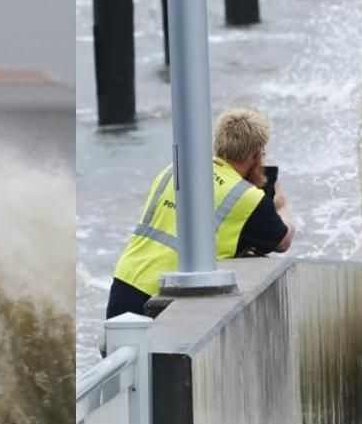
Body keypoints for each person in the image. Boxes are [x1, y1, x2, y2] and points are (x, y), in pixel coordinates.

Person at [106, 107, 295, 320]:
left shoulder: (173, 170)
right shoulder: (248, 197)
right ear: (256, 152)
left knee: (120, 353)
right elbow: (283, 241)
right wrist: (280, 203)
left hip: (127, 279)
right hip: (170, 295)